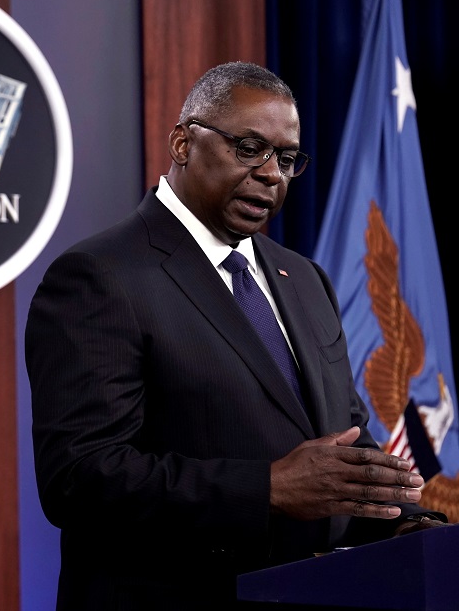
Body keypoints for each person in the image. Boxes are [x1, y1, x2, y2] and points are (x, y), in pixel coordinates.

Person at [25, 61, 447, 609]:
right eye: (249, 148)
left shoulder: (304, 279)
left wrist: (407, 526)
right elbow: (79, 479)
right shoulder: (100, 276)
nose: (272, 174)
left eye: (287, 158)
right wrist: (267, 488)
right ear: (183, 142)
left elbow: (343, 436)